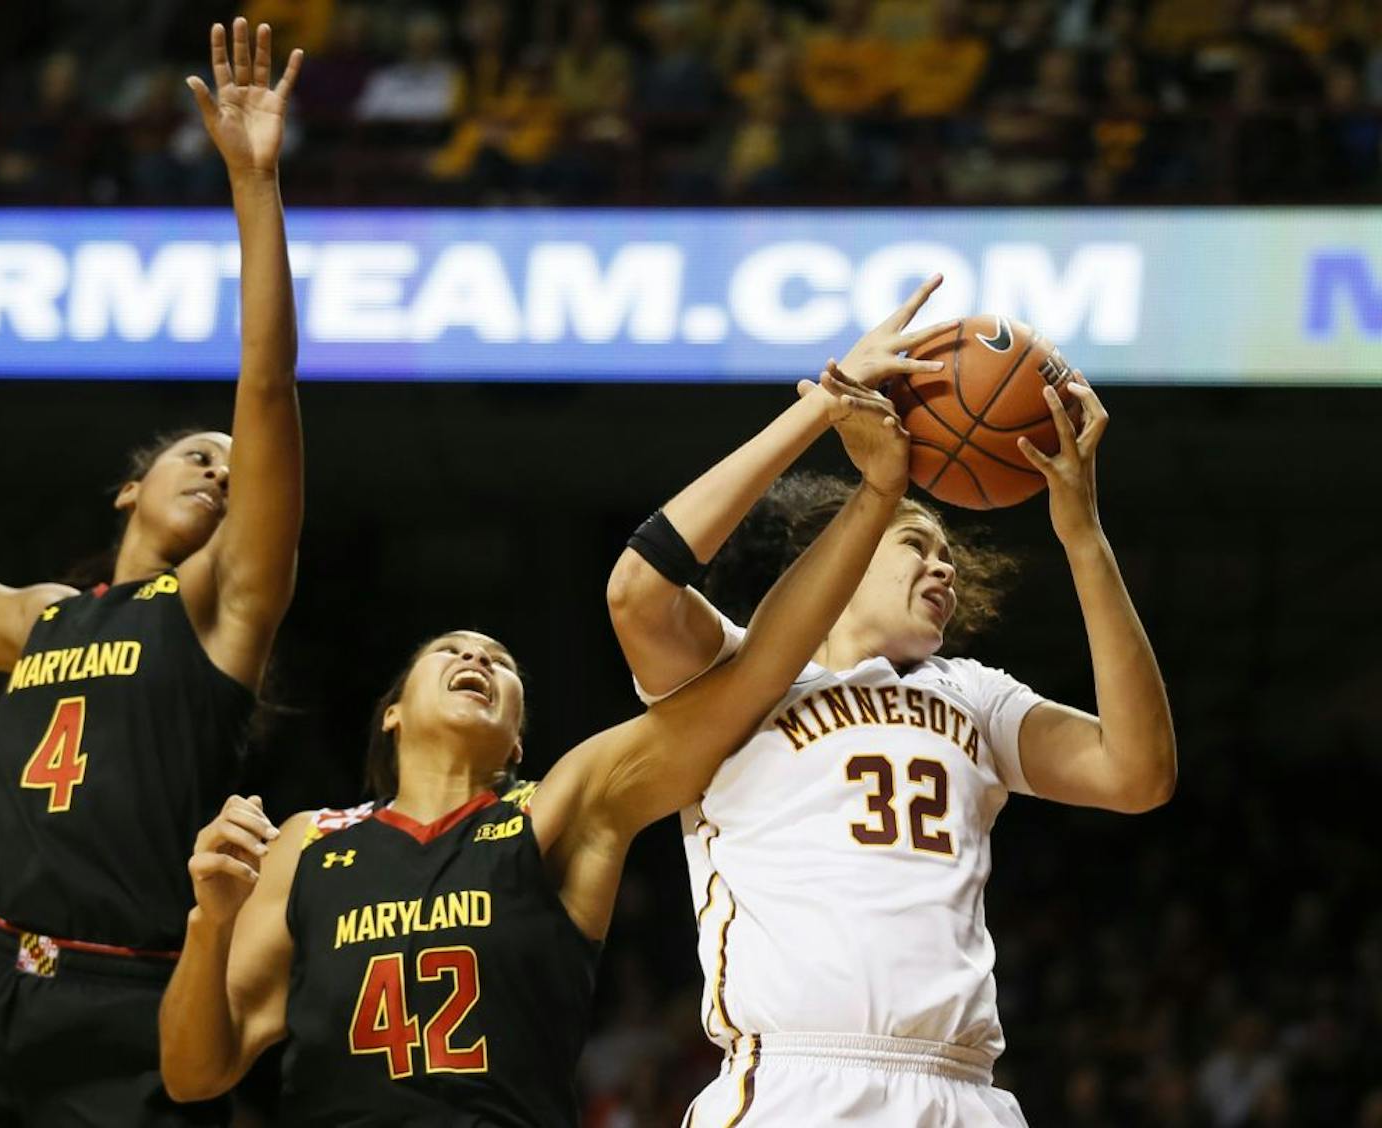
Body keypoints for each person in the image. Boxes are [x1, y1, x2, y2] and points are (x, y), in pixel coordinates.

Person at [157, 365, 914, 1126]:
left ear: (519, 738)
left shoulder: (559, 809)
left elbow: (753, 679)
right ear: (390, 714)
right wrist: (210, 922)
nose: (476, 659)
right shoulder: (308, 845)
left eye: (500, 661)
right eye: (451, 649)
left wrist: (875, 495)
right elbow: (194, 1074)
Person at [605, 274, 1176, 1125]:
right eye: (918, 541)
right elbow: (637, 592)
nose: (944, 567)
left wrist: (1082, 534)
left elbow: (1137, 773)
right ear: (848, 549)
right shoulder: (733, 682)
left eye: (950, 553)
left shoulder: (976, 697)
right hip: (796, 1080)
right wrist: (825, 409)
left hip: (965, 1091)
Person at [0, 19, 304, 1126]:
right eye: (192, 453)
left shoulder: (215, 610)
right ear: (128, 492)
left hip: (124, 1000)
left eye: (234, 466)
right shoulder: (43, 620)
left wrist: (253, 183)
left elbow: (265, 386)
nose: (220, 464)